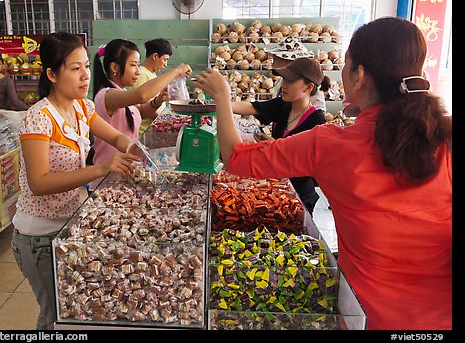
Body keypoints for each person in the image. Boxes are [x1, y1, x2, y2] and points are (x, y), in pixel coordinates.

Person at [192, 16, 452, 330]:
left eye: (346, 65)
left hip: (366, 316)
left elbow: (236, 158)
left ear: (358, 76)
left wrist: (221, 96)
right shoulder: (446, 141)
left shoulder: (331, 144)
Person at [11, 32, 142, 330]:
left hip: (68, 226)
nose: (85, 76)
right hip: (38, 236)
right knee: (54, 316)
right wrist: (101, 169)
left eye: (86, 66)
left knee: (72, 310)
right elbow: (39, 182)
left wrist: (134, 148)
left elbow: (117, 136)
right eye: (74, 69)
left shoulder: (82, 108)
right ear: (52, 74)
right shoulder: (38, 118)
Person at [89, 38, 192, 190]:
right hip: (108, 180)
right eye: (133, 65)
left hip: (126, 175)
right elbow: (141, 95)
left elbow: (141, 111)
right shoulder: (107, 95)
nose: (137, 71)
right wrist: (176, 71)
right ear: (114, 67)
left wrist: (157, 101)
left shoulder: (122, 93)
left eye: (138, 65)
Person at [231, 58, 328, 215]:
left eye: (290, 81)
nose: (283, 85)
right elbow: (250, 107)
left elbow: (309, 163)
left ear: (309, 87)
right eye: (284, 79)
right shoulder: (283, 105)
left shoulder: (317, 120)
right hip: (277, 190)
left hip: (299, 196)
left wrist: (275, 145)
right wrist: (218, 103)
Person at [129, 38, 173, 135]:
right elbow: (142, 105)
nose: (166, 64)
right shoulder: (142, 75)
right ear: (155, 56)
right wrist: (165, 122)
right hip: (144, 131)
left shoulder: (151, 74)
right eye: (165, 60)